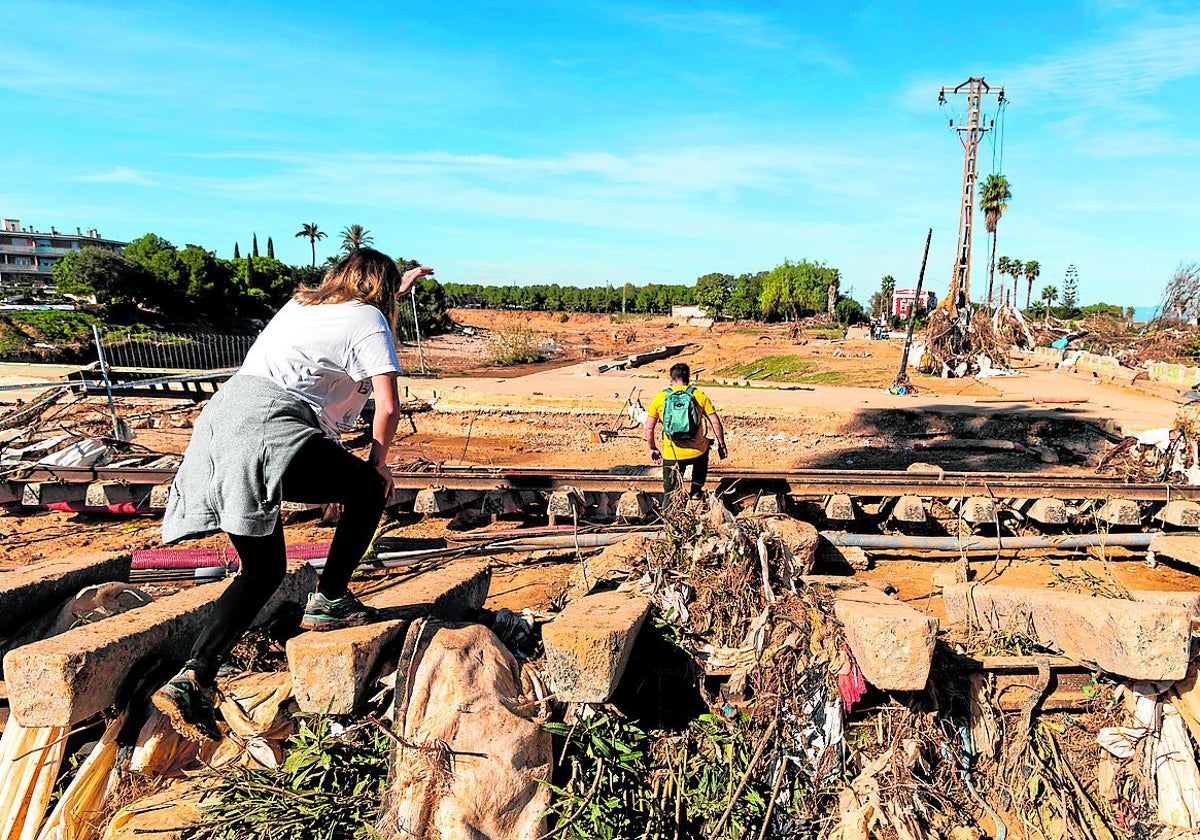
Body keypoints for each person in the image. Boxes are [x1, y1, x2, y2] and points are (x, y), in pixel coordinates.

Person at [151, 248, 433, 742]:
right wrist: (379, 462)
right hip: (272, 425)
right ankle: (329, 597)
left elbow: (341, 325)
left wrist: (395, 291)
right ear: (382, 292)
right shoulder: (369, 317)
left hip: (222, 422)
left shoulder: (301, 304)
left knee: (263, 570)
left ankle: (193, 677)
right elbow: (387, 406)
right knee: (369, 488)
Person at [645, 362, 727, 508]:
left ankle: (670, 523)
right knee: (706, 447)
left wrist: (653, 448)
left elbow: (649, 428)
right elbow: (715, 422)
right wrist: (721, 445)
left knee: (670, 493)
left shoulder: (661, 397)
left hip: (672, 453)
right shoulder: (699, 395)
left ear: (671, 378)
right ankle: (696, 491)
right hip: (697, 452)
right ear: (688, 378)